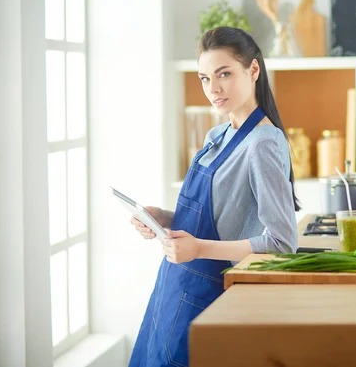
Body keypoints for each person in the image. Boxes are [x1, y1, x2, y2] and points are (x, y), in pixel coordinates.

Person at [128, 26, 300, 367]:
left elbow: (282, 242)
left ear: (253, 70)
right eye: (205, 78)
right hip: (172, 287)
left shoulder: (263, 143)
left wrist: (199, 248)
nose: (214, 89)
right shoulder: (217, 134)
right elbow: (218, 218)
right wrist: (163, 217)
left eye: (224, 74)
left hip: (209, 297)